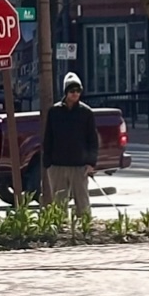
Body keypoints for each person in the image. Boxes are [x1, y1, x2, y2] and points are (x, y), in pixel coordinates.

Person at [42, 73, 98, 219]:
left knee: (82, 202)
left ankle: (85, 230)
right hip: (57, 165)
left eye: (78, 91)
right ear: (66, 92)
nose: (75, 94)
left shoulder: (86, 113)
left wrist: (91, 163)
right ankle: (59, 230)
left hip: (79, 166)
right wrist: (47, 162)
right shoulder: (54, 112)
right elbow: (48, 138)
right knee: (59, 202)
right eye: (72, 91)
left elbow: (92, 140)